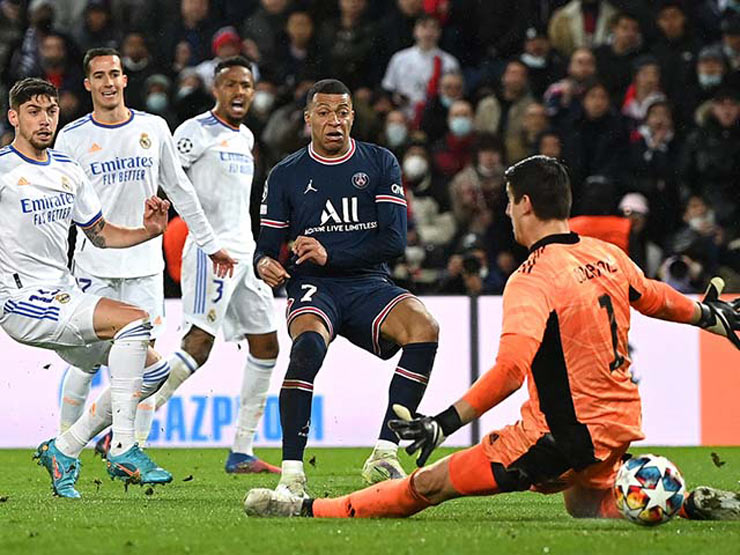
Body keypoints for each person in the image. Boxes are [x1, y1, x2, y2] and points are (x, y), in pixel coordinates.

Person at [243, 154, 740, 520]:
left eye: (507, 203)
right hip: (618, 424)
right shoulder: (604, 253)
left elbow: (509, 371)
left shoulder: (533, 277)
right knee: (586, 506)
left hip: (557, 438)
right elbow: (655, 296)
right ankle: (687, 503)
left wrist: (443, 423)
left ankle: (306, 510)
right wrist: (708, 316)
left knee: (428, 485)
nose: (505, 214)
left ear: (524, 204)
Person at [254, 78, 440, 496]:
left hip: (368, 282)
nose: (334, 121)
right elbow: (265, 249)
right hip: (313, 287)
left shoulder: (379, 163)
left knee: (425, 328)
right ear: (308, 120)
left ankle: (384, 453)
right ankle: (292, 475)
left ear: (353, 117)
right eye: (324, 113)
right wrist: (265, 264)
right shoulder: (285, 174)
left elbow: (394, 241)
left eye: (342, 113)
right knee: (306, 348)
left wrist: (329, 252)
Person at [52, 47, 235, 449]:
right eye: (99, 76)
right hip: (93, 265)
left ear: (124, 79)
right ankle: (65, 446)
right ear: (87, 84)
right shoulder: (72, 137)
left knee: (147, 360)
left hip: (144, 266)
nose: (107, 82)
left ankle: (130, 446)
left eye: (114, 74)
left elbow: (181, 191)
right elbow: (58, 206)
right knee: (87, 358)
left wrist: (210, 244)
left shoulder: (152, 128)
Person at [0, 78, 174, 498]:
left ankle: (64, 448)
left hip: (63, 295)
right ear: (14, 117)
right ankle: (126, 446)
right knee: (135, 321)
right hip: (21, 300)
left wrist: (148, 231)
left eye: (51, 111)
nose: (45, 120)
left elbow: (100, 234)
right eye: (34, 112)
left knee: (155, 370)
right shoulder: (3, 170)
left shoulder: (68, 169)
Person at [143, 56, 280, 474]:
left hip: (244, 255)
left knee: (267, 345)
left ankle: (241, 451)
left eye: (247, 86)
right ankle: (132, 427)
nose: (240, 92)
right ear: (216, 89)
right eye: (231, 85)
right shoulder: (195, 132)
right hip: (210, 253)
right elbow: (165, 177)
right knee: (198, 346)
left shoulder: (246, 137)